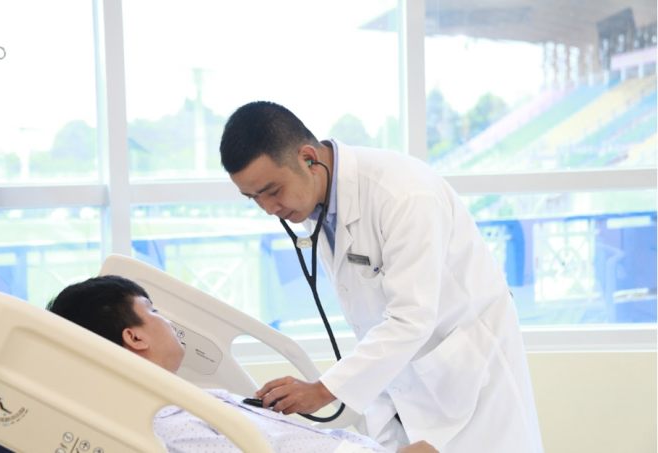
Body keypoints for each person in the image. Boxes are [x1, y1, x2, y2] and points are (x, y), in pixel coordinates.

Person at [218, 101, 544, 453]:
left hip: (471, 376)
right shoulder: (317, 204)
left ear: (308, 158)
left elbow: (411, 318)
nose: (268, 209)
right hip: (408, 380)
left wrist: (321, 391)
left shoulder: (403, 193)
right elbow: (376, 320)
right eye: (253, 198)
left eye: (272, 190)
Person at [46, 275, 437, 453]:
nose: (168, 321)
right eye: (154, 311)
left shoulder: (183, 405)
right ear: (134, 337)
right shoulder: (171, 422)